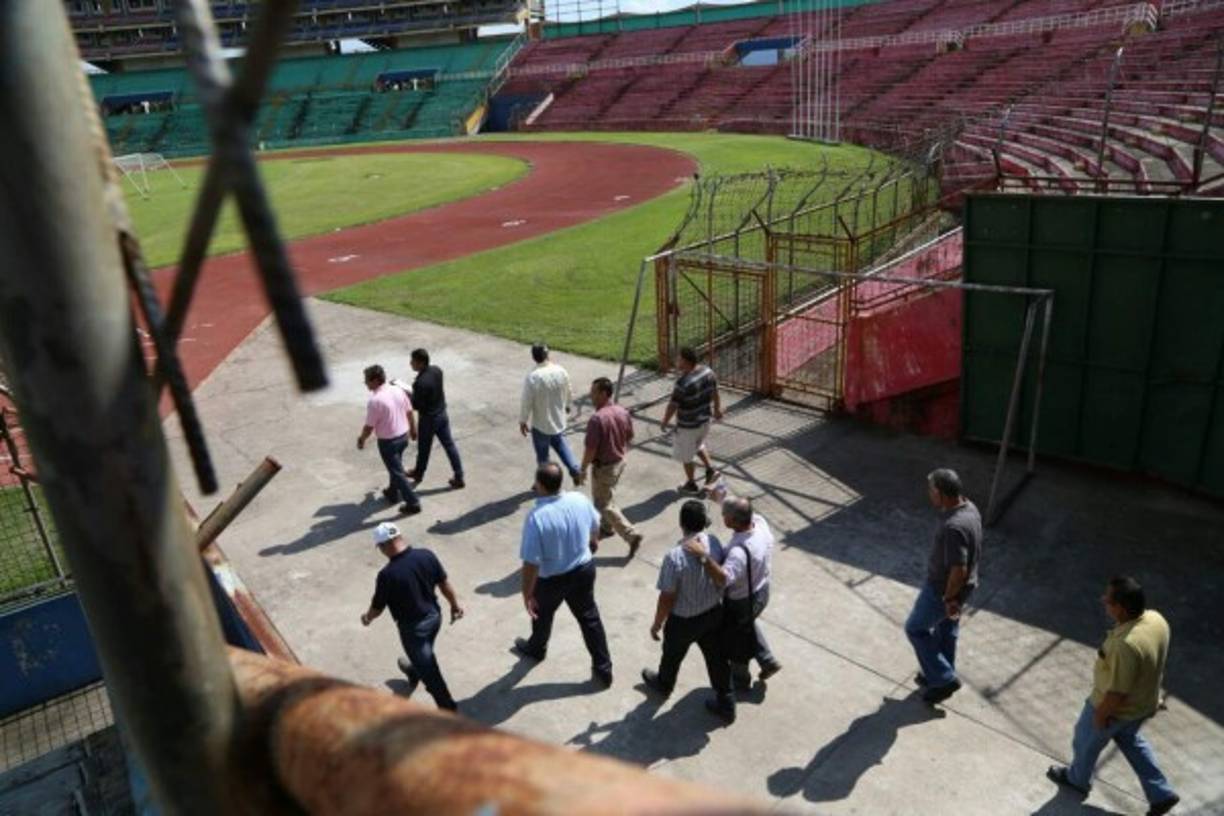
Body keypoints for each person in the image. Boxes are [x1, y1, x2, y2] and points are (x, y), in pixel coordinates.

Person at [1047, 577, 1179, 816]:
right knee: (1132, 742)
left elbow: (1117, 692)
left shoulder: (1125, 645)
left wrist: (1100, 716)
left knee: (1084, 741)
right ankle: (1161, 793)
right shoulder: (1156, 620)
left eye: (1108, 600)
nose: (1104, 602)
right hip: (1144, 704)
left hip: (1115, 709)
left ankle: (1077, 780)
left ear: (1122, 608)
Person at [512, 462, 613, 687]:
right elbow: (596, 525)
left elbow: (531, 562)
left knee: (541, 617)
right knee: (589, 618)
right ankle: (604, 668)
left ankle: (537, 649)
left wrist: (526, 594)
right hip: (584, 571)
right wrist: (593, 542)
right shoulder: (579, 499)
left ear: (539, 484)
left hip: (551, 581)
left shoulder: (537, 517)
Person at [642, 500, 736, 722]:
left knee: (672, 655)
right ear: (704, 522)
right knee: (717, 659)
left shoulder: (674, 557)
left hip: (683, 621)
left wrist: (657, 623)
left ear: (681, 523)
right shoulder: (713, 541)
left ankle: (664, 685)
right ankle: (727, 701)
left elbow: (667, 596)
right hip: (713, 615)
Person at [360, 522, 464, 711]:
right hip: (435, 617)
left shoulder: (387, 575)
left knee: (432, 674)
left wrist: (367, 618)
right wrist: (455, 605)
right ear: (400, 537)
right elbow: (444, 583)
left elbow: (377, 608)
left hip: (413, 631)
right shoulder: (426, 555)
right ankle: (415, 670)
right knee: (424, 655)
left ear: (383, 547)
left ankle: (448, 710)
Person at [685, 495, 782, 690]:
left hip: (741, 601)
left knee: (736, 640)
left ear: (734, 521)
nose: (722, 517)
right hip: (762, 590)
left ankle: (740, 680)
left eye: (724, 515)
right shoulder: (759, 523)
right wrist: (720, 496)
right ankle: (767, 660)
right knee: (747, 625)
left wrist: (703, 556)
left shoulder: (739, 553)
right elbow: (740, 508)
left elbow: (723, 578)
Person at [905, 468, 982, 705]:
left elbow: (958, 569)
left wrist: (948, 599)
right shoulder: (970, 508)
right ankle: (937, 674)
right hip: (965, 588)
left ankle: (943, 678)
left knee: (915, 629)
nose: (929, 494)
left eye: (931, 490)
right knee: (946, 630)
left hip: (942, 590)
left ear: (939, 493)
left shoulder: (952, 526)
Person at [579, 377, 643, 556]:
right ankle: (606, 527)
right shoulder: (622, 411)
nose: (590, 396)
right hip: (619, 462)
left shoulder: (597, 419)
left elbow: (590, 449)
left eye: (594, 393)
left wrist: (583, 469)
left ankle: (631, 535)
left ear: (604, 393)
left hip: (604, 467)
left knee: (603, 503)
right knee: (606, 494)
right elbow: (630, 437)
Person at [357, 364, 420, 516]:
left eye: (367, 380)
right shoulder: (397, 389)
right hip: (403, 437)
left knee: (397, 472)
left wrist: (362, 439)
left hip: (388, 443)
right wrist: (413, 429)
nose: (365, 383)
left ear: (376, 380)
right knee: (396, 467)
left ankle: (413, 503)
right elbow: (409, 411)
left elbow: (369, 427)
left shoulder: (375, 401)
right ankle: (392, 492)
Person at [660, 346, 722, 496]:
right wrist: (717, 409)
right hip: (704, 422)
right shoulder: (708, 372)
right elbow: (715, 392)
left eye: (678, 358)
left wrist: (665, 421)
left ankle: (691, 484)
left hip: (688, 426)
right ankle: (710, 470)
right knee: (698, 444)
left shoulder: (683, 383)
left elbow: (673, 405)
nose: (676, 361)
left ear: (685, 361)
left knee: (686, 456)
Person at [519, 343, 581, 487]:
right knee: (562, 447)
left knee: (542, 456)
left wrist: (523, 420)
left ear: (534, 358)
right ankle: (575, 469)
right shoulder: (561, 371)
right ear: (548, 355)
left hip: (541, 424)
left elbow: (526, 401)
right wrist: (567, 405)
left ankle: (543, 481)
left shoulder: (533, 377)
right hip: (558, 421)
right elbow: (569, 390)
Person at [405, 348, 464, 490]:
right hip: (442, 414)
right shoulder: (437, 370)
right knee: (449, 445)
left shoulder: (420, 383)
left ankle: (419, 473)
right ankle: (459, 475)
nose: (410, 363)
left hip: (428, 420)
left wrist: (407, 395)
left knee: (423, 448)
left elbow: (416, 405)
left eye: (413, 361)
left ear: (420, 363)